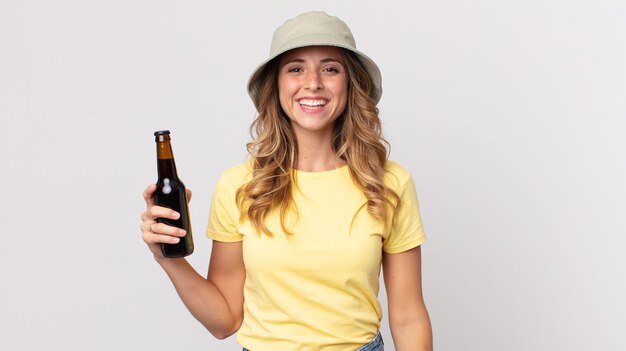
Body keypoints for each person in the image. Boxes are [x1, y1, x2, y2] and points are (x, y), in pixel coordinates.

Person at [140, 11, 432, 351]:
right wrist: (167, 258)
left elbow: (409, 316)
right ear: (276, 86)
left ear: (351, 84)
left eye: (330, 68)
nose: (313, 82)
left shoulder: (389, 182)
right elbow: (224, 321)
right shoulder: (239, 186)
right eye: (295, 68)